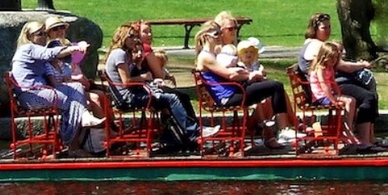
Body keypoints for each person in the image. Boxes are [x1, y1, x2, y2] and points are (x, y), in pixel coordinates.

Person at [104, 24, 214, 151]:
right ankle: (193, 132)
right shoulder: (119, 54)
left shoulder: (122, 54)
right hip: (128, 98)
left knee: (180, 96)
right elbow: (126, 81)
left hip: (135, 92)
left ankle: (182, 136)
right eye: (131, 36)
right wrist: (144, 77)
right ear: (123, 37)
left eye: (135, 37)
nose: (135, 40)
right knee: (172, 98)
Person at [194, 20, 295, 149]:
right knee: (276, 86)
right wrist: (249, 75)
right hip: (229, 97)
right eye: (216, 34)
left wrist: (247, 74)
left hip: (235, 91)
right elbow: (229, 75)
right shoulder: (205, 56)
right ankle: (282, 128)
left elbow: (230, 72)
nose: (220, 36)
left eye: (220, 33)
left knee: (270, 85)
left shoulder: (213, 54)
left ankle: (271, 130)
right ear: (206, 36)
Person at [10, 20, 102, 158]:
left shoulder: (35, 49)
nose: (44, 37)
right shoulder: (28, 48)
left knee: (77, 88)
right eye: (39, 34)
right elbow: (50, 54)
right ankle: (73, 145)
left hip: (40, 91)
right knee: (74, 101)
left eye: (44, 33)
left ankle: (78, 131)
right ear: (28, 36)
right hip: (32, 95)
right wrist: (74, 48)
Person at [299, 12, 382, 148]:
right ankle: (363, 139)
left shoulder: (316, 44)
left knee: (368, 91)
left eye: (329, 27)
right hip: (328, 89)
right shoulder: (317, 46)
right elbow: (342, 66)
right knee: (368, 96)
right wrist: (362, 65)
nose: (328, 31)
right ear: (314, 29)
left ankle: (368, 137)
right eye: (324, 28)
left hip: (334, 85)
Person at [43, 16, 105, 120]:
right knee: (95, 98)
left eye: (62, 27)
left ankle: (111, 126)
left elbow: (74, 68)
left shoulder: (67, 46)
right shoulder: (49, 52)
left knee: (102, 95)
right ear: (48, 33)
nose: (60, 31)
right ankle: (100, 128)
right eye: (55, 29)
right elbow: (57, 77)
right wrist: (76, 80)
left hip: (74, 86)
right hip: (61, 91)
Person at [308, 41, 361, 148]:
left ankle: (347, 128)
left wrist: (338, 93)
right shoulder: (320, 68)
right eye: (331, 58)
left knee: (351, 100)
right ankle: (347, 130)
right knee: (349, 101)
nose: (334, 60)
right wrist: (333, 100)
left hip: (328, 94)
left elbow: (333, 83)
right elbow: (324, 86)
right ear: (324, 57)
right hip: (321, 97)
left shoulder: (330, 68)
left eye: (336, 58)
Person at [133, 21, 175, 86]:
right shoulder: (145, 48)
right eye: (145, 32)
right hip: (147, 85)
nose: (149, 34)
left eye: (150, 31)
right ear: (137, 34)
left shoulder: (131, 48)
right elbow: (159, 75)